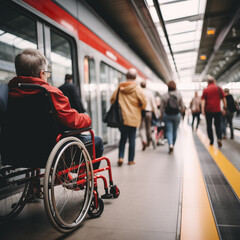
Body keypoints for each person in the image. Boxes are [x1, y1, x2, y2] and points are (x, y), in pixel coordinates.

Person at [8, 49, 103, 169]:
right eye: (47, 74)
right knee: (97, 141)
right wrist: (87, 118)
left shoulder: (7, 93)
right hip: (49, 150)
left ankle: (38, 183)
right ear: (42, 73)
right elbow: (71, 120)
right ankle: (83, 179)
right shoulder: (49, 92)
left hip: (17, 150)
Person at [110, 68, 146, 166]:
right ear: (135, 77)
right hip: (133, 117)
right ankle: (130, 160)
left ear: (126, 77)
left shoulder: (119, 87)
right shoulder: (137, 88)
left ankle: (120, 157)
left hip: (122, 117)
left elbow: (112, 99)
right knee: (132, 138)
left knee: (123, 138)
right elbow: (144, 103)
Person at [201, 75, 227, 147]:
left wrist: (202, 110)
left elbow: (203, 101)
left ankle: (211, 141)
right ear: (214, 81)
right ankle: (219, 138)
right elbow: (224, 99)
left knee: (209, 126)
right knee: (217, 125)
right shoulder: (219, 88)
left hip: (208, 110)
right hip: (217, 110)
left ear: (208, 82)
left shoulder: (206, 90)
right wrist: (224, 108)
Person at [160, 80, 184, 154]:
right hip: (176, 115)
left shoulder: (164, 96)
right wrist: (181, 113)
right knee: (175, 131)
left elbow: (161, 108)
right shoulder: (179, 95)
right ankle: (173, 144)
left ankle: (170, 144)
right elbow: (182, 106)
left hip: (167, 115)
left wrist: (162, 116)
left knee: (169, 131)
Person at [139, 80, 158, 150]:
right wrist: (156, 113)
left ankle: (144, 141)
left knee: (141, 128)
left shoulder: (139, 92)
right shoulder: (150, 93)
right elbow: (153, 104)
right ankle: (149, 141)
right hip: (149, 112)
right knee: (148, 127)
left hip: (141, 112)